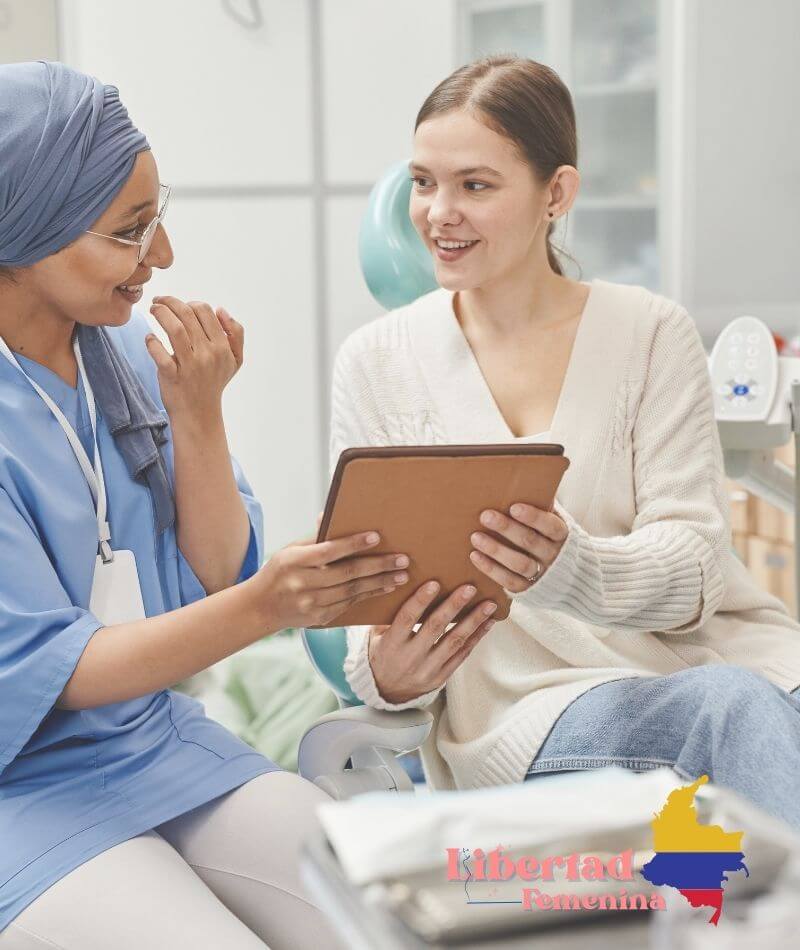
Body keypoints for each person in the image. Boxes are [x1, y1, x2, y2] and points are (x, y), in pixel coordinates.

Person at [0, 61, 414, 948]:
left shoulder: (120, 360)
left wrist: (198, 415)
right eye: (129, 232)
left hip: (149, 741)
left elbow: (218, 571)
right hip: (18, 787)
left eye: (159, 216)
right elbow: (56, 672)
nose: (163, 258)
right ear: (22, 239)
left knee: (400, 918)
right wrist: (267, 606)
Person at [331, 56, 800, 826]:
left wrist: (569, 568)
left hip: (729, 664)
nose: (438, 212)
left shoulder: (650, 333)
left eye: (474, 186)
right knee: (730, 712)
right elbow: (365, 608)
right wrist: (389, 674)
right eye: (423, 182)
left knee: (740, 702)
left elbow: (695, 569)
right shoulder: (376, 363)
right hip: (532, 708)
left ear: (558, 193)